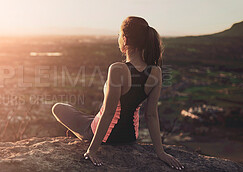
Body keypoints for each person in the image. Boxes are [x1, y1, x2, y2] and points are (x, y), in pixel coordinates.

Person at [51, 16, 184, 170]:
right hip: (129, 137)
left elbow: (108, 113)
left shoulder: (117, 69)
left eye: (119, 35)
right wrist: (161, 153)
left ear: (125, 40)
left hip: (105, 136)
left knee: (59, 108)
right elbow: (152, 115)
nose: (119, 38)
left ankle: (81, 135)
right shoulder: (156, 72)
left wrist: (92, 150)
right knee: (89, 117)